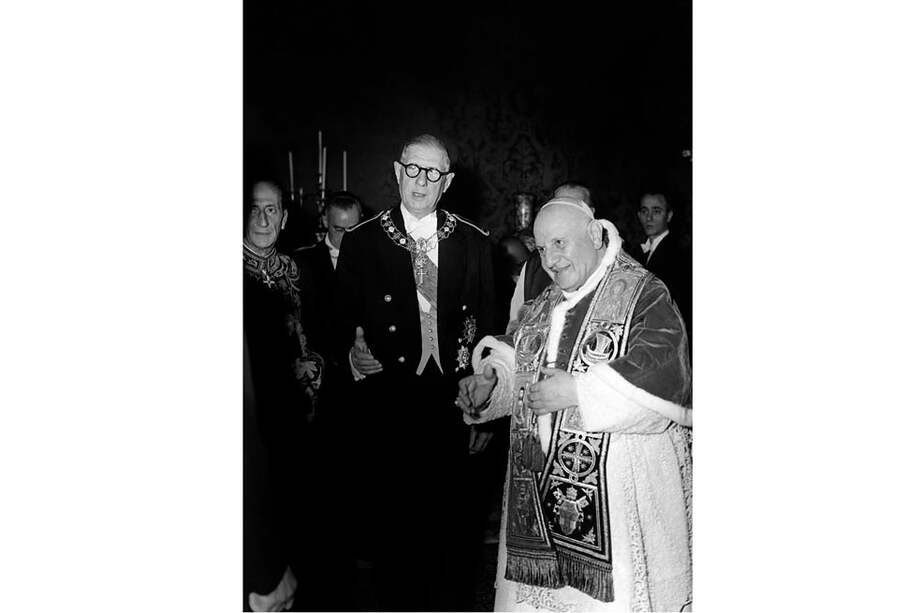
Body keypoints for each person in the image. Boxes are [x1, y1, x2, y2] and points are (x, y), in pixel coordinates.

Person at [457, 196, 692, 612]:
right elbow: (519, 353)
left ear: (595, 235)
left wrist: (580, 392)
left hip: (619, 498)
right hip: (538, 499)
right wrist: (491, 382)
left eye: (560, 243)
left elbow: (666, 373)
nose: (550, 260)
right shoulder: (547, 301)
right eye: (541, 248)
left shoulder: (643, 292)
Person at [334, 133, 497, 611]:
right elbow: (336, 322)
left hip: (452, 408)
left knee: (452, 541)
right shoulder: (363, 240)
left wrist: (485, 413)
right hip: (387, 410)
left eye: (433, 172)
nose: (421, 181)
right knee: (394, 543)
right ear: (396, 172)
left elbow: (489, 334)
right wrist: (351, 355)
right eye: (412, 169)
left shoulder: (473, 241)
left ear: (447, 182)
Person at [243, 180, 324, 610]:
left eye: (271, 210)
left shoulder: (297, 270)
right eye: (254, 209)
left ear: (285, 217)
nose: (262, 219)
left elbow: (316, 332)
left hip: (299, 418)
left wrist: (318, 366)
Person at [507, 181, 593, 333]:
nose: (550, 261)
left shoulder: (612, 266)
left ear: (591, 213)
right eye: (557, 206)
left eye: (572, 207)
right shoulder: (534, 265)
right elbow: (515, 327)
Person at [630, 192, 691, 339]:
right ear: (639, 215)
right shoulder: (639, 253)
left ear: (669, 216)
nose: (649, 218)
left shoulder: (678, 255)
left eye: (656, 211)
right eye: (644, 211)